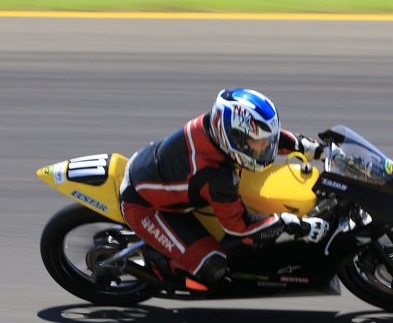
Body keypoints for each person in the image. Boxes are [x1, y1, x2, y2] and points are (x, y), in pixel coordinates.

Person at [119, 88, 329, 292]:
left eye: (266, 143)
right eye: (258, 145)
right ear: (233, 138)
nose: (266, 149)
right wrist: (293, 226)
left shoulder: (218, 127)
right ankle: (156, 258)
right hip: (144, 206)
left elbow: (268, 137)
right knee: (212, 266)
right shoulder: (216, 176)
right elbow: (240, 227)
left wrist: (314, 148)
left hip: (157, 172)